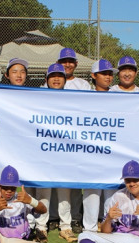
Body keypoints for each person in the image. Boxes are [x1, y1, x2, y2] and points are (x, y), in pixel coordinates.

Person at [33, 63, 77, 243]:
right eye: (53, 76)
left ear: (65, 80)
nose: (56, 79)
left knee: (64, 190)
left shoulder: (72, 99)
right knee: (43, 190)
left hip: (65, 151)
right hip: (44, 150)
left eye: (60, 76)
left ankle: (65, 226)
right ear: (46, 79)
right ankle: (41, 227)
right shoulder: (38, 98)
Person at [81, 59, 119, 235]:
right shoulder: (85, 95)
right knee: (92, 191)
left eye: (110, 73)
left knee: (111, 190)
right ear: (93, 76)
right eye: (104, 73)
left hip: (112, 151)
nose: (108, 77)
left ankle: (108, 226)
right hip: (90, 150)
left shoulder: (118, 95)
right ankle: (88, 227)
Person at [56, 48, 89, 233]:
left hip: (77, 140)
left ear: (75, 64)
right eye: (64, 61)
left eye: (70, 61)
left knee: (76, 183)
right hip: (55, 139)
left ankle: (75, 217)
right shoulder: (49, 83)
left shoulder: (83, 85)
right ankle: (56, 217)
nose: (67, 64)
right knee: (55, 182)